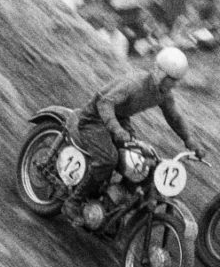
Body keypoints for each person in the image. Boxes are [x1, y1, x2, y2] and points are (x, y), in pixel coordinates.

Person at [62, 46, 205, 225]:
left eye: (176, 80)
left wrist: (190, 140)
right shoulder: (135, 84)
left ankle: (109, 202)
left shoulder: (163, 94)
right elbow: (105, 103)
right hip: (94, 119)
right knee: (108, 159)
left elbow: (174, 117)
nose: (174, 84)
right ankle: (73, 202)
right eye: (172, 79)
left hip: (119, 119)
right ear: (160, 73)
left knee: (142, 161)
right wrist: (117, 129)